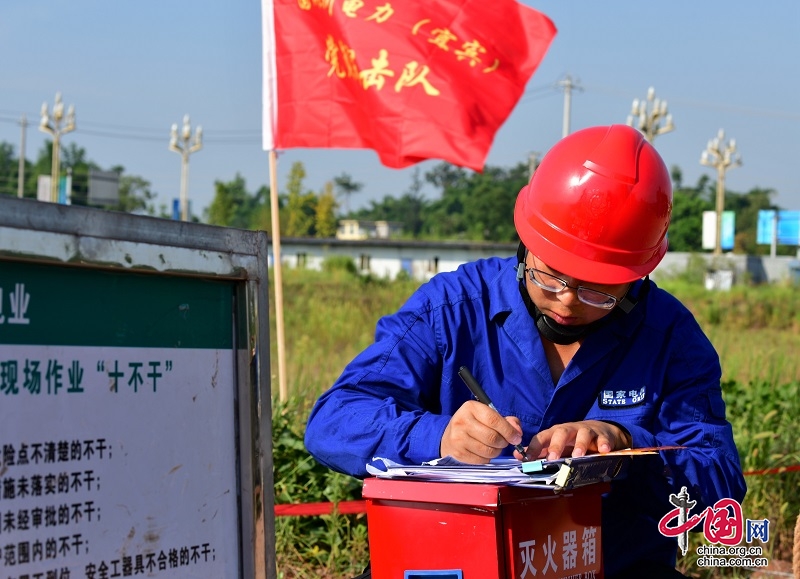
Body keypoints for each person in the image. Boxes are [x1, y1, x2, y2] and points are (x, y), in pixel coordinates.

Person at [304, 124, 746, 578]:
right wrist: (437, 437)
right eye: (550, 276)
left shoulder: (670, 337)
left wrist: (628, 446)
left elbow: (720, 478)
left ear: (637, 275)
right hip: (457, 565)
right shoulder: (451, 309)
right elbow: (333, 421)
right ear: (526, 245)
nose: (568, 300)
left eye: (598, 290)